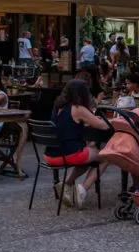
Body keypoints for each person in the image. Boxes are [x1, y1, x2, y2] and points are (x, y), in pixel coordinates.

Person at [45, 79, 111, 209]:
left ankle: (65, 185)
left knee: (88, 155)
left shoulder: (58, 106)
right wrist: (116, 120)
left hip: (50, 154)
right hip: (68, 154)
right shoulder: (77, 108)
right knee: (108, 156)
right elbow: (103, 126)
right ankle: (82, 190)